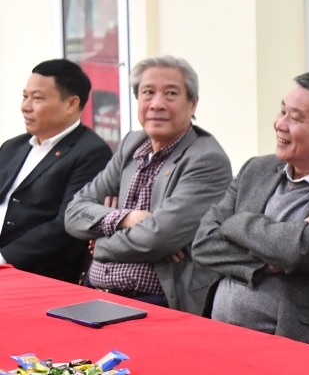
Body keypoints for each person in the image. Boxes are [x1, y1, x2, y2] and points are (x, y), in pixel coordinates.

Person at [192, 69, 309, 351]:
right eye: (282, 111)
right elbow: (203, 243)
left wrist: (236, 222)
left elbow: (303, 250)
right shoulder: (256, 168)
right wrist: (266, 264)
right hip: (219, 333)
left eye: (296, 118)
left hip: (293, 343)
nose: (280, 124)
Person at [65, 55, 231, 314]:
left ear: (192, 103)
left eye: (171, 94)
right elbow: (74, 212)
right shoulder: (132, 144)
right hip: (96, 291)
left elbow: (155, 239)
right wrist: (126, 218)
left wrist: (100, 243)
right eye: (148, 93)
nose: (157, 104)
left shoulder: (206, 159)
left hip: (154, 300)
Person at [0, 60, 112, 282]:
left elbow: (66, 225)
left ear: (71, 104)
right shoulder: (13, 146)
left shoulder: (91, 152)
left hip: (33, 272)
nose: (25, 106)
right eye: (25, 96)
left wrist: (4, 257)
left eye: (37, 98)